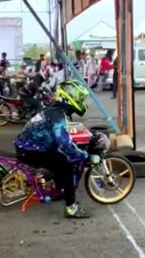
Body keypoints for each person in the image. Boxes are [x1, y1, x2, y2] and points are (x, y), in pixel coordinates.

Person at [14, 80, 90, 219]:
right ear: (70, 97)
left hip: (30, 145)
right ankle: (71, 208)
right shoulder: (58, 114)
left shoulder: (56, 109)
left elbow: (61, 135)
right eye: (80, 98)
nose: (82, 102)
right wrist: (83, 155)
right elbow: (65, 143)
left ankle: (59, 189)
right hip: (31, 149)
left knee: (61, 158)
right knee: (67, 166)